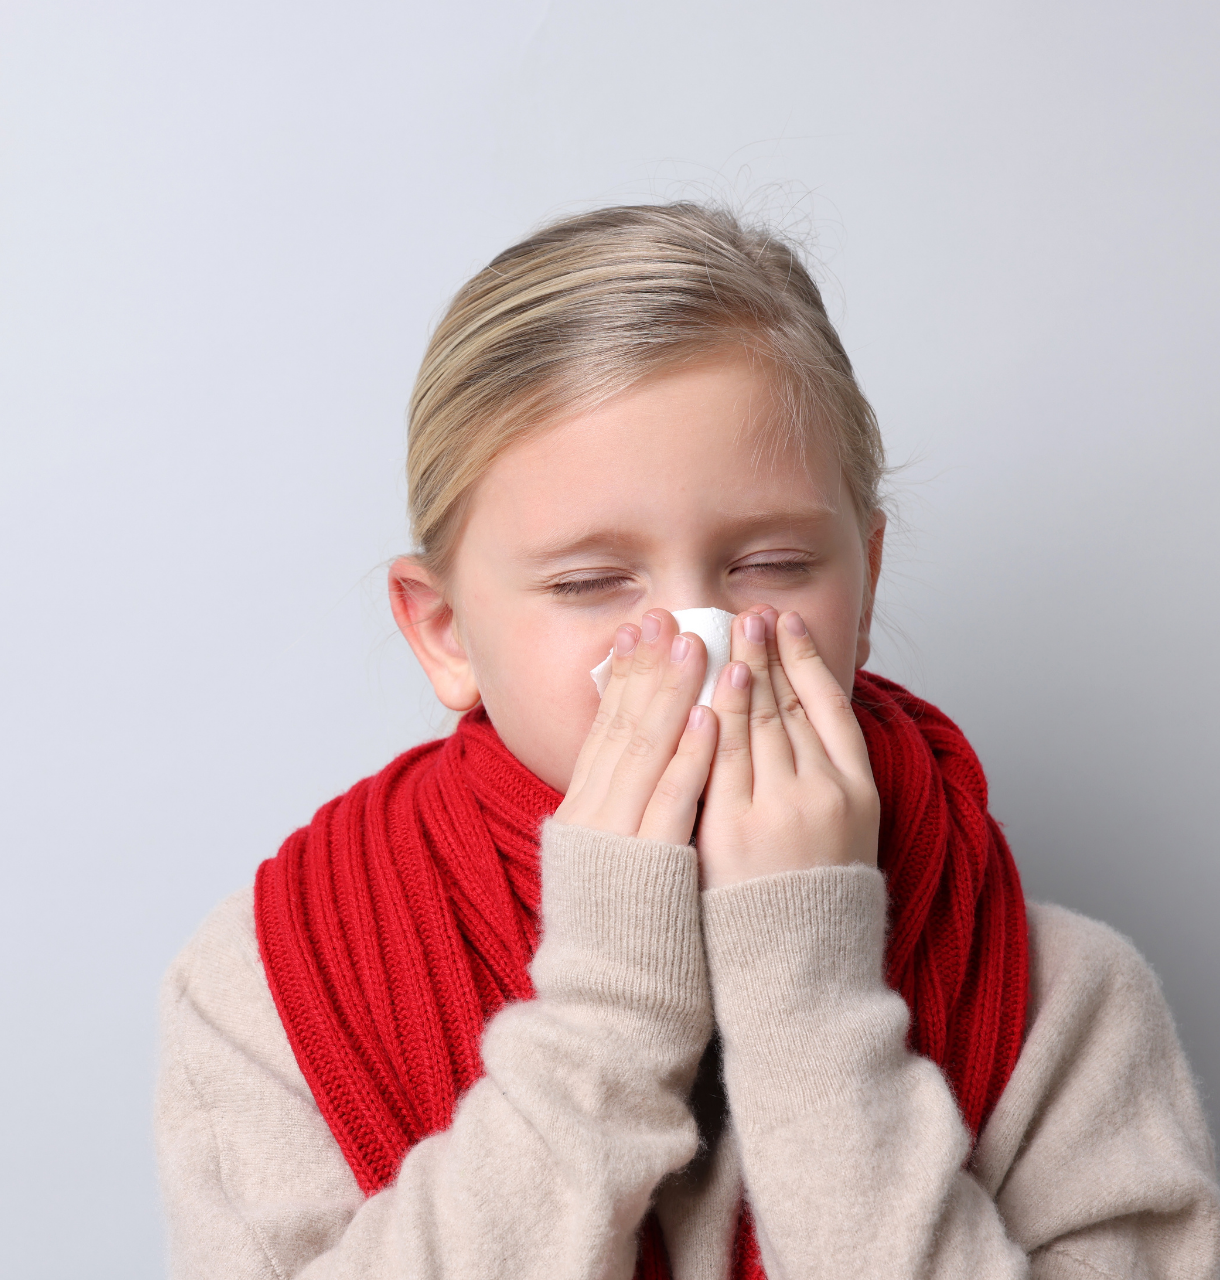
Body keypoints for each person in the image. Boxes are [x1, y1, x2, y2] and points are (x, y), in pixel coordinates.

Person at [152, 203, 1220, 1279]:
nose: (697, 641)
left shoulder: (1065, 1003)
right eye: (589, 581)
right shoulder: (270, 986)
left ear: (866, 583)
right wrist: (609, 1007)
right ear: (444, 632)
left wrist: (811, 1006)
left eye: (773, 564)